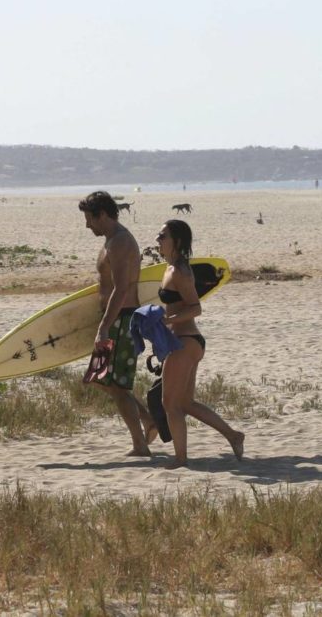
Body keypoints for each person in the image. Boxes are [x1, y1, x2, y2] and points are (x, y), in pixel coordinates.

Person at [155, 219, 244, 469]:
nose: (158, 240)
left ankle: (181, 458)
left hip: (184, 341)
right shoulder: (170, 268)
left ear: (178, 241)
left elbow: (196, 308)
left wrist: (167, 319)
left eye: (163, 236)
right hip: (187, 342)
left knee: (170, 405)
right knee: (185, 403)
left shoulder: (180, 271)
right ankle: (233, 435)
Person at [79, 190, 155, 456]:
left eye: (89, 219)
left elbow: (121, 288)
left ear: (102, 215)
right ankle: (148, 420)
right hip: (111, 319)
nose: (87, 225)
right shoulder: (110, 240)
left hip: (121, 319)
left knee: (118, 385)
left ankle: (140, 446)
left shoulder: (121, 242)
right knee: (99, 379)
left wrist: (104, 326)